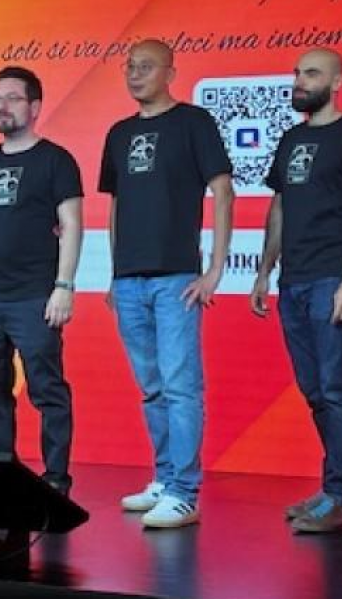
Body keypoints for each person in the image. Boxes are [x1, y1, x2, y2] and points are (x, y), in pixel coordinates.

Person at [99, 39, 234, 528]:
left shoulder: (194, 122)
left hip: (176, 278)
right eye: (130, 66)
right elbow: (116, 206)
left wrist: (214, 269)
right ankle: (164, 477)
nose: (135, 74)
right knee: (152, 387)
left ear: (171, 73)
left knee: (181, 387)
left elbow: (223, 191)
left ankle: (184, 491)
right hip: (129, 281)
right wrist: (115, 272)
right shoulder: (118, 133)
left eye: (146, 66)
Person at [250, 48, 342, 533]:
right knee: (313, 389)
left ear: (338, 81)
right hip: (294, 280)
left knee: (338, 388)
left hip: (333, 277)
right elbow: (280, 208)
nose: (300, 81)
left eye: (311, 73)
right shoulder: (291, 139)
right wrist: (265, 271)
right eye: (297, 73)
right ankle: (333, 488)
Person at [0, 66, 82, 494]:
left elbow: (71, 224)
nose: (2, 107)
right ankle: (1, 473)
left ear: (35, 107)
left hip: (35, 297)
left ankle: (56, 478)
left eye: (12, 98)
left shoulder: (56, 160)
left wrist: (64, 286)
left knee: (47, 389)